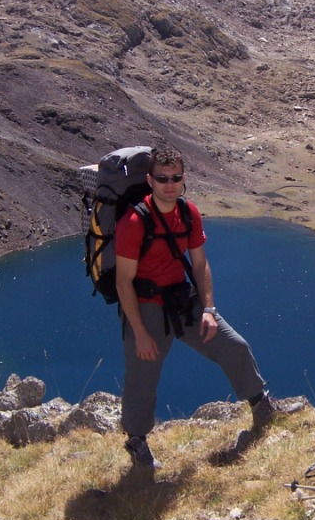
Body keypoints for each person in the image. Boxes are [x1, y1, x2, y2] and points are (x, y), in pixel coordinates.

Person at [113, 143, 276, 469]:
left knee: (234, 345)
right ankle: (137, 441)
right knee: (142, 377)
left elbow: (200, 265)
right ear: (150, 180)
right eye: (162, 178)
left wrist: (209, 309)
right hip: (145, 306)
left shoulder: (188, 213)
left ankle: (260, 404)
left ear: (183, 178)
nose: (169, 184)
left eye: (175, 178)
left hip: (182, 299)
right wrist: (141, 332)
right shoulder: (134, 222)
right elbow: (123, 282)